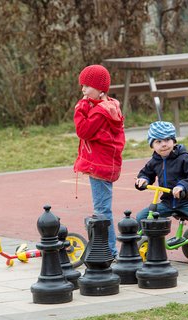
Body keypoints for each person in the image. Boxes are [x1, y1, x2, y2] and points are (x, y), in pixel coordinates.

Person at [135, 121, 188, 267]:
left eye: (167, 140)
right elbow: (146, 173)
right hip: (168, 202)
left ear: (174, 141)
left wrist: (183, 186)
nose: (164, 144)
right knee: (141, 217)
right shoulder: (154, 161)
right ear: (152, 145)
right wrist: (142, 180)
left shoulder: (184, 158)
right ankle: (147, 244)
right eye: (158, 141)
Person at [74, 64, 125, 258]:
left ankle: (110, 251)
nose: (83, 90)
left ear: (100, 89)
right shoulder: (107, 106)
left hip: (99, 166)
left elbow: (83, 131)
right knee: (102, 209)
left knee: (102, 211)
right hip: (103, 164)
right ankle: (108, 248)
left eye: (87, 86)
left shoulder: (100, 112)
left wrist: (80, 109)